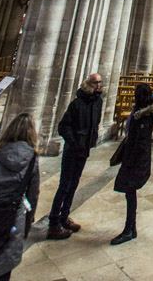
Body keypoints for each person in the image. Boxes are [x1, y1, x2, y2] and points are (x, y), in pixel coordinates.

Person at [47, 72, 103, 239]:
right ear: (89, 84)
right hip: (74, 149)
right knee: (64, 185)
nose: (99, 85)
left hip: (84, 148)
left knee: (74, 184)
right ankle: (53, 222)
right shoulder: (77, 103)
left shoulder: (98, 102)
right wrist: (74, 142)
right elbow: (63, 126)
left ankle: (64, 217)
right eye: (96, 82)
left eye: (100, 82)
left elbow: (95, 122)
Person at [0, 113, 40, 281]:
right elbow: (33, 195)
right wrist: (27, 223)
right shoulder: (31, 160)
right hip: (12, 220)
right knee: (2, 268)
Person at [111, 83, 153, 246]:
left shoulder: (144, 117)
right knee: (129, 192)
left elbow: (140, 141)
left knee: (129, 191)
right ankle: (130, 228)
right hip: (133, 157)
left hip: (135, 159)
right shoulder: (141, 113)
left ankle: (129, 229)